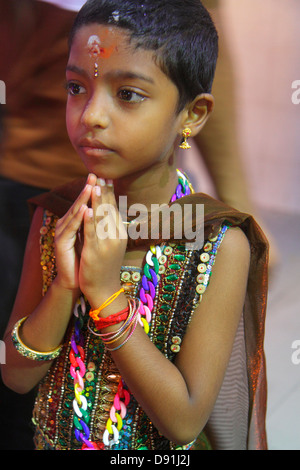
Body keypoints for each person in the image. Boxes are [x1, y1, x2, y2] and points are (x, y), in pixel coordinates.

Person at [1, 0, 268, 451]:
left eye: (128, 95)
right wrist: (65, 287)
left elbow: (183, 423)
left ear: (193, 114)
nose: (91, 116)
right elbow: (15, 375)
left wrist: (105, 296)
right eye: (75, 87)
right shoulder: (56, 217)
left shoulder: (215, 242)